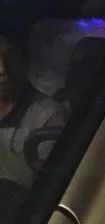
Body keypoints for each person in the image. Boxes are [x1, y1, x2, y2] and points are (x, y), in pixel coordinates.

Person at [0, 35, 68, 188]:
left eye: (9, 61)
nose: (2, 69)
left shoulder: (49, 116)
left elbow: (43, 187)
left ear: (23, 64)